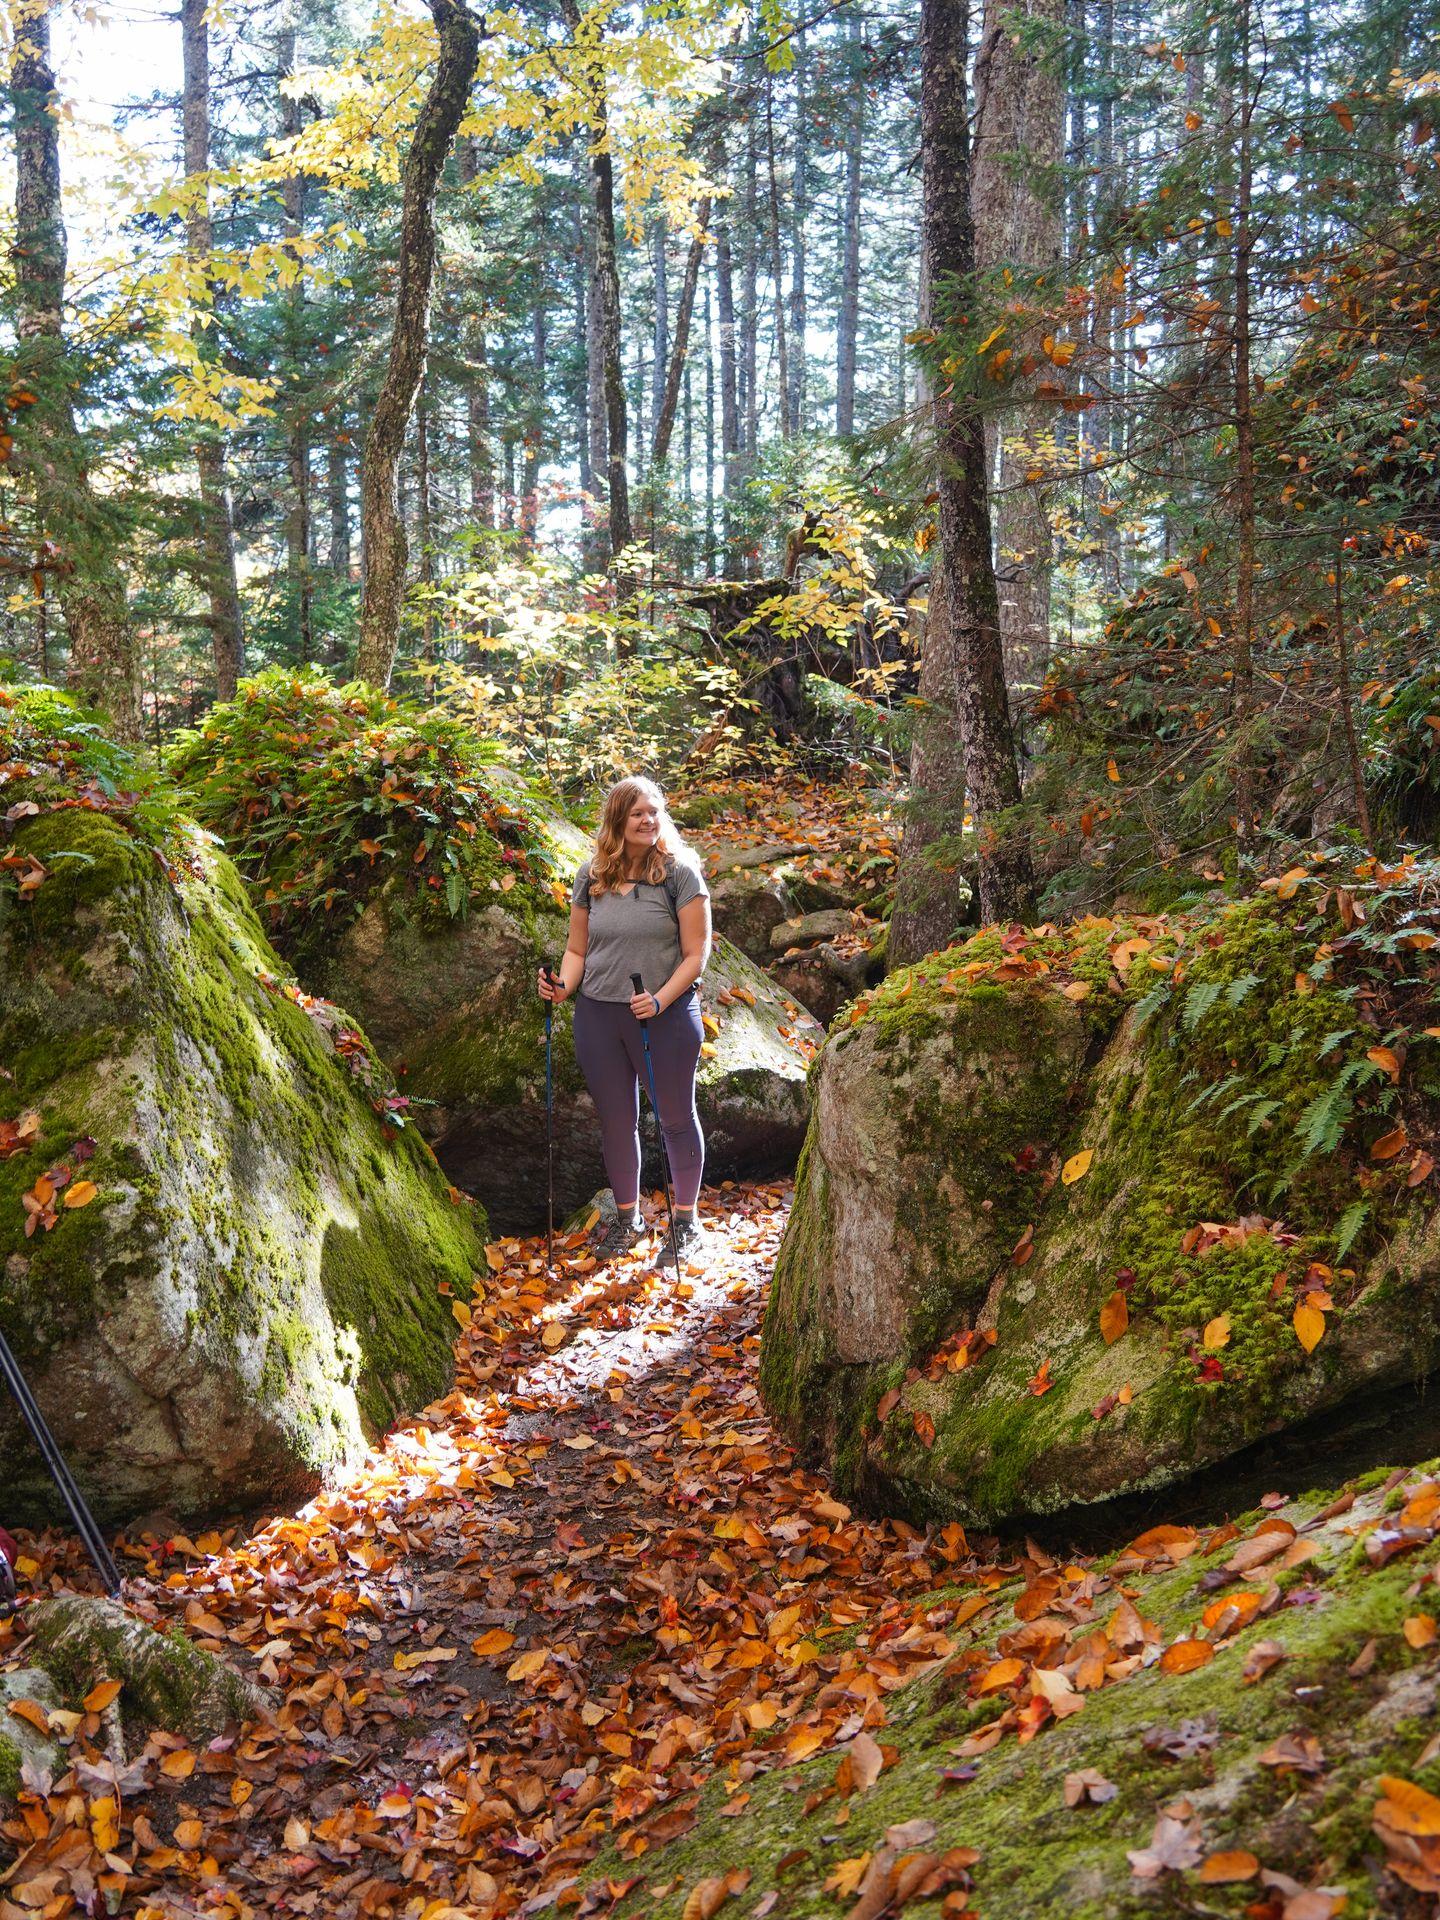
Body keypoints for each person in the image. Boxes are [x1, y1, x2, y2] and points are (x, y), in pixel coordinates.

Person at [537, 775, 713, 1260]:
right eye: (637, 812)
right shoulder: (591, 875)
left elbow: (696, 954)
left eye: (654, 811)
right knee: (617, 1122)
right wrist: (562, 987)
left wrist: (659, 1000)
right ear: (617, 818)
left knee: (676, 1120)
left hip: (666, 1015)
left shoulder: (681, 874)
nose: (648, 820)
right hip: (598, 1015)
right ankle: (627, 1219)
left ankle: (685, 1224)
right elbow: (577, 948)